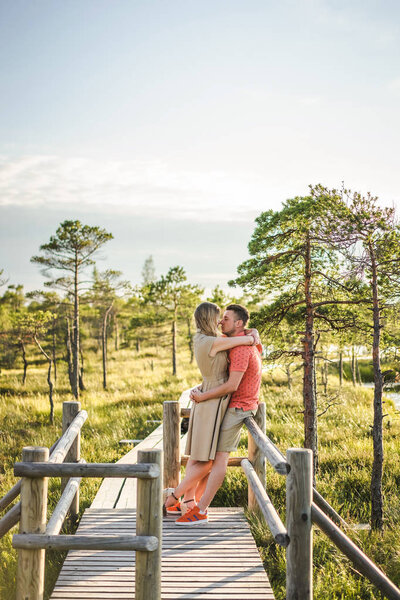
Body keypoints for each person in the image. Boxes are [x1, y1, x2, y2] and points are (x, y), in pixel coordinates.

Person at [163, 301, 259, 516]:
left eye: (224, 318)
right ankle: (181, 499)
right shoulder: (214, 342)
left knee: (200, 456)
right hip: (213, 401)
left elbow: (241, 339)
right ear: (209, 319)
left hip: (212, 397)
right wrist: (253, 336)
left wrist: (252, 332)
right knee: (205, 459)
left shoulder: (206, 339)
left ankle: (188, 501)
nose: (220, 320)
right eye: (219, 317)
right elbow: (245, 340)